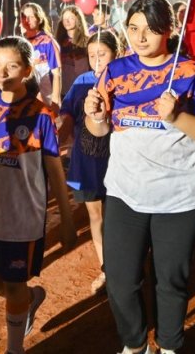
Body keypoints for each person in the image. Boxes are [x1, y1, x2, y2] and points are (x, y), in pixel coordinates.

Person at [84, 0, 195, 354]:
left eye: (149, 29)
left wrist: (177, 117)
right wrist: (95, 114)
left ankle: (170, 345)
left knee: (170, 282)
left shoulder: (191, 72)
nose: (140, 37)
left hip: (179, 196)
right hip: (125, 192)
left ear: (168, 30)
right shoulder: (114, 71)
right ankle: (135, 345)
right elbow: (99, 130)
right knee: (120, 279)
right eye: (133, 28)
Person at [0, 36, 76, 354]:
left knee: (13, 283)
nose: (3, 72)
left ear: (27, 69)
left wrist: (66, 221)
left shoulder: (39, 113)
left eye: (11, 66)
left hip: (22, 216)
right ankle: (30, 299)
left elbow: (54, 168)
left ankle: (15, 349)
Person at [59, 30, 118, 294]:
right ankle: (107, 269)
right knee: (96, 215)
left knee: (120, 215)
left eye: (102, 54)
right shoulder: (82, 82)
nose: (96, 60)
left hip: (118, 156)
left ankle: (129, 266)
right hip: (87, 158)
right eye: (92, 55)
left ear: (115, 54)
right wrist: (58, 138)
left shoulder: (125, 80)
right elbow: (68, 114)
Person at [21, 2, 62, 107]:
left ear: (39, 19)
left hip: (47, 98)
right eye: (24, 17)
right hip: (26, 99)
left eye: (31, 16)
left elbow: (57, 73)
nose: (27, 20)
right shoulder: (21, 42)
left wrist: (55, 102)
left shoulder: (47, 41)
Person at [55, 5, 90, 99]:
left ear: (78, 19)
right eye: (64, 19)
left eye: (71, 18)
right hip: (62, 89)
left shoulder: (87, 41)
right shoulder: (58, 41)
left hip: (80, 89)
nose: (67, 21)